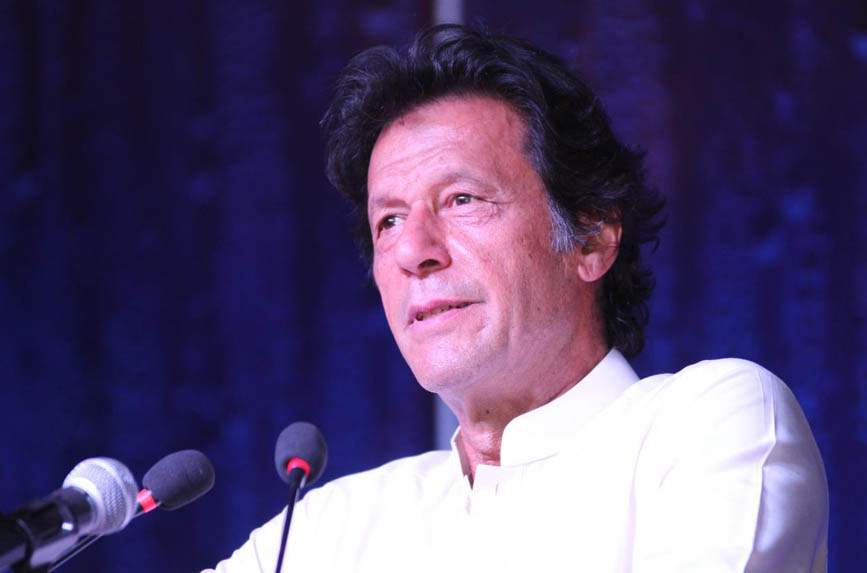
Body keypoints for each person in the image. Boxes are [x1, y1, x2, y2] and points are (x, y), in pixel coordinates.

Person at [204, 24, 828, 572]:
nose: (413, 250)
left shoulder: (709, 425)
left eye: (462, 200)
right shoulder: (330, 529)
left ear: (591, 236)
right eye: (388, 220)